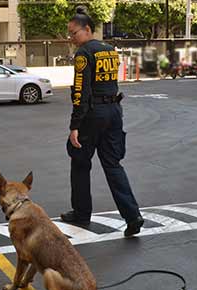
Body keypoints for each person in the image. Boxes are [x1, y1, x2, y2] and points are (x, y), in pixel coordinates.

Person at [61, 6, 144, 237]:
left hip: (93, 114)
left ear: (87, 29)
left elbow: (81, 91)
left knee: (79, 161)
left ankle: (82, 213)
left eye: (73, 33)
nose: (71, 38)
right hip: (114, 111)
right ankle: (133, 216)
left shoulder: (83, 54)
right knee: (113, 164)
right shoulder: (109, 50)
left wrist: (74, 126)